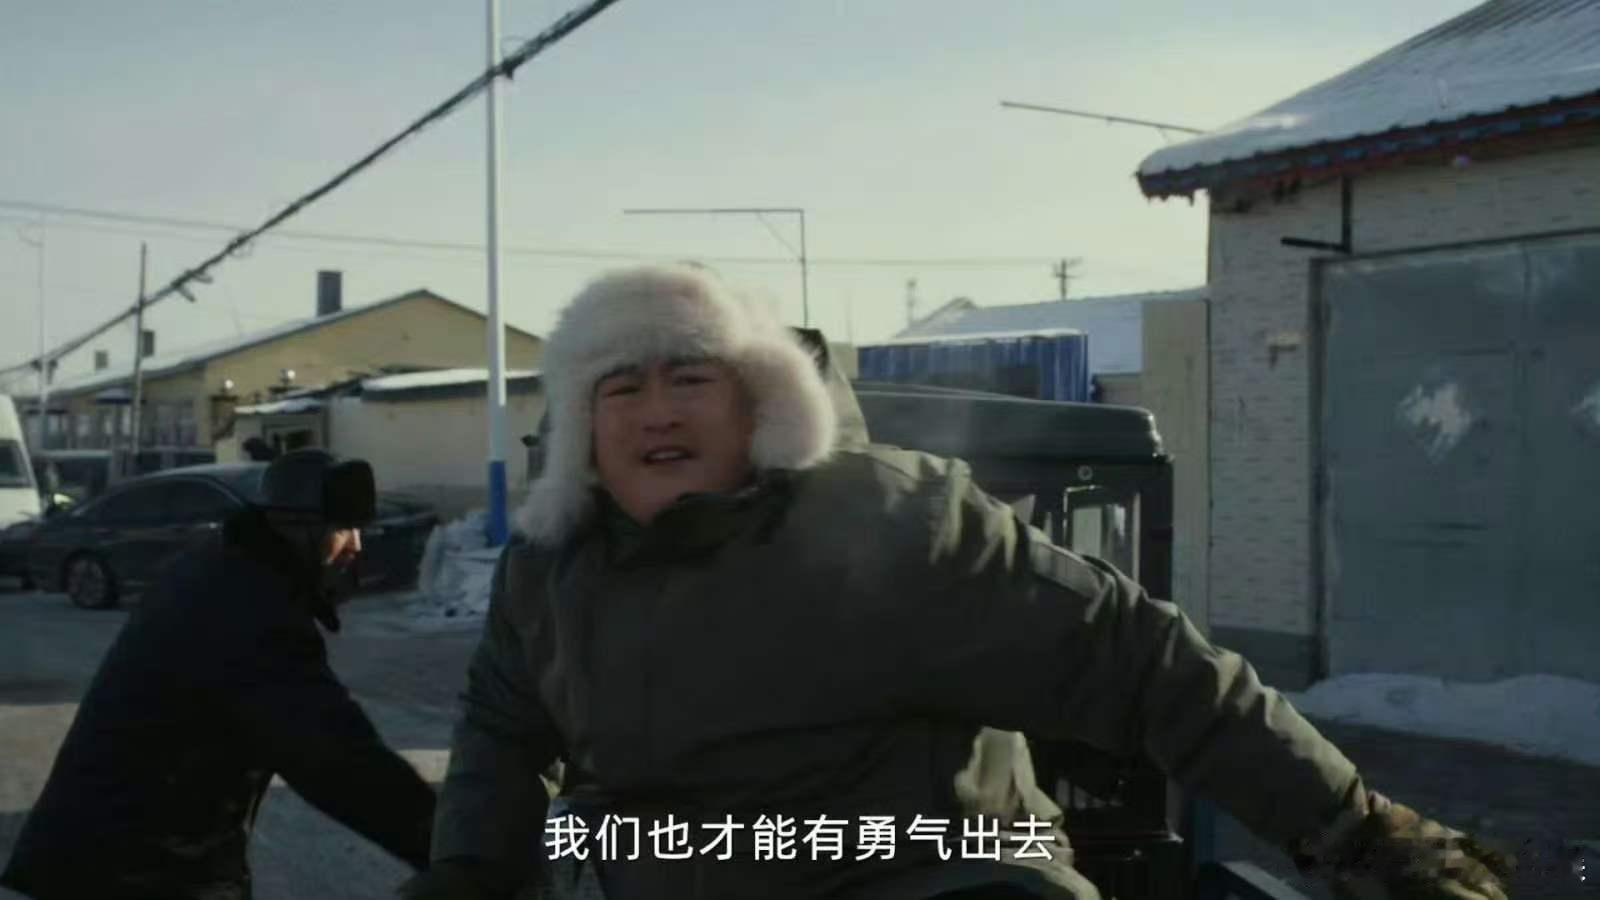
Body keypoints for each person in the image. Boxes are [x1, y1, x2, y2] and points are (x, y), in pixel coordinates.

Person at [401, 265, 1513, 900]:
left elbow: (1140, 664)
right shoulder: (553, 566)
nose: (656, 412)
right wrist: (469, 871)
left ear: (761, 406)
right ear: (584, 430)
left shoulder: (887, 525)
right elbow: (503, 727)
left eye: (690, 378)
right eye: (621, 389)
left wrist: (1359, 832)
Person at [1, 450, 437, 900]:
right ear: (297, 527)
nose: (356, 546)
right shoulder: (250, 612)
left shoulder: (227, 567)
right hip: (132, 873)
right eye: (342, 529)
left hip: (119, 862)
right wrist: (450, 851)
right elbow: (333, 755)